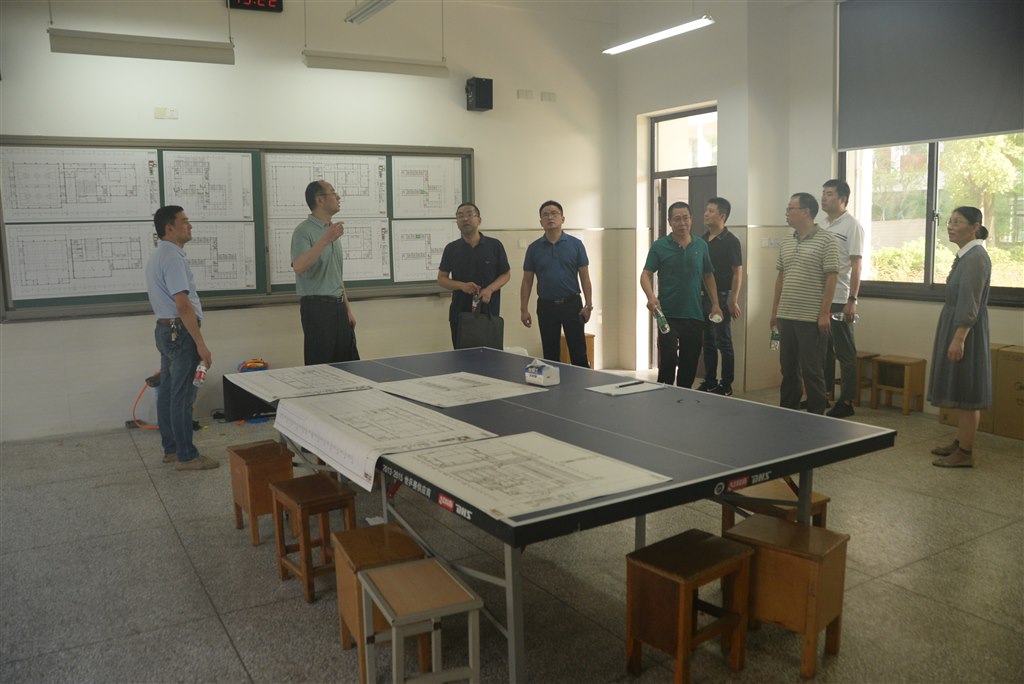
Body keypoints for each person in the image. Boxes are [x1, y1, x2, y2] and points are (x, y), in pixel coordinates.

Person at [145, 205, 219, 471]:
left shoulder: (159, 255)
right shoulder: (173, 258)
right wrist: (200, 343)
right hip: (180, 332)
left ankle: (172, 450)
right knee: (182, 396)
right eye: (185, 221)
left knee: (167, 392)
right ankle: (187, 456)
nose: (190, 226)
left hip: (166, 330)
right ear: (169, 228)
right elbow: (182, 304)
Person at [928, 206, 992, 468]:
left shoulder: (976, 258)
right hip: (957, 325)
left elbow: (970, 302)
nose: (950, 226)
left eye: (958, 222)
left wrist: (959, 338)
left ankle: (965, 452)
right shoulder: (966, 255)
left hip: (966, 330)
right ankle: (959, 441)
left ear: (974, 227)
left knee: (967, 391)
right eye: (950, 221)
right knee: (960, 385)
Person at [641, 201, 723, 388]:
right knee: (668, 361)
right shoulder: (660, 246)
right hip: (667, 315)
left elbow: (708, 275)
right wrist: (651, 297)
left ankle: (683, 399)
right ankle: (664, 398)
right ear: (670, 222)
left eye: (685, 218)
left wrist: (716, 304)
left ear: (691, 219)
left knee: (689, 364)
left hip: (694, 315)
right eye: (677, 219)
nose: (682, 223)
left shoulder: (701, 245)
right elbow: (645, 275)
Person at [770, 193, 838, 414]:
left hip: (811, 318)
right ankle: (787, 413)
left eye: (791, 209)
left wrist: (824, 313)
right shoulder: (787, 241)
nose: (787, 213)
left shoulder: (827, 240)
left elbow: (832, 277)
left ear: (806, 212)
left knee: (812, 371)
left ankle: (816, 418)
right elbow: (781, 277)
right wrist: (775, 311)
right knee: (788, 369)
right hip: (786, 315)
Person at [520, 200, 594, 366]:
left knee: (578, 352)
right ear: (541, 222)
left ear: (562, 219)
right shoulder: (533, 248)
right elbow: (527, 281)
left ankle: (581, 381)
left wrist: (588, 305)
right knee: (550, 354)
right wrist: (524, 309)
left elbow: (585, 277)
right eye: (545, 215)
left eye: (554, 213)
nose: (550, 217)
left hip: (572, 304)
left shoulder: (576, 245)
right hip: (546, 306)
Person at [291, 180, 357, 365]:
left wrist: (347, 309)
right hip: (317, 308)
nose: (338, 197)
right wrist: (326, 240)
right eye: (333, 193)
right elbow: (299, 267)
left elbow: (335, 274)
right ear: (320, 200)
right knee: (320, 368)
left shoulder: (331, 230)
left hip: (339, 308)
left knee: (348, 364)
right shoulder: (303, 231)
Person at [819, 179, 865, 419]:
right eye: (823, 193)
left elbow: (856, 265)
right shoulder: (822, 224)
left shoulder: (852, 226)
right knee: (823, 350)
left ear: (842, 199)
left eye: (829, 194)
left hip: (841, 297)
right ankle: (823, 394)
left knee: (845, 352)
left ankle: (846, 401)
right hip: (821, 297)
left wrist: (852, 299)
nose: (824, 198)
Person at [437, 202, 511, 347]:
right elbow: (441, 279)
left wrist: (490, 289)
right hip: (460, 313)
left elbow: (506, 274)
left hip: (488, 312)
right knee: (462, 356)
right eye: (460, 216)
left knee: (490, 356)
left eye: (470, 214)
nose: (465, 219)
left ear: (479, 220)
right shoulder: (451, 249)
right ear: (457, 223)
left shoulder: (494, 245)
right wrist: (462, 286)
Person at [697, 197, 743, 396]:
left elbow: (737, 272)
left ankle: (726, 384)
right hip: (702, 297)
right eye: (706, 210)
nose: (706, 214)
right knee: (707, 342)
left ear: (722, 216)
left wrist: (733, 299)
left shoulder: (731, 241)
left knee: (723, 342)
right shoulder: (702, 239)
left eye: (711, 211)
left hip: (722, 297)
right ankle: (710, 381)